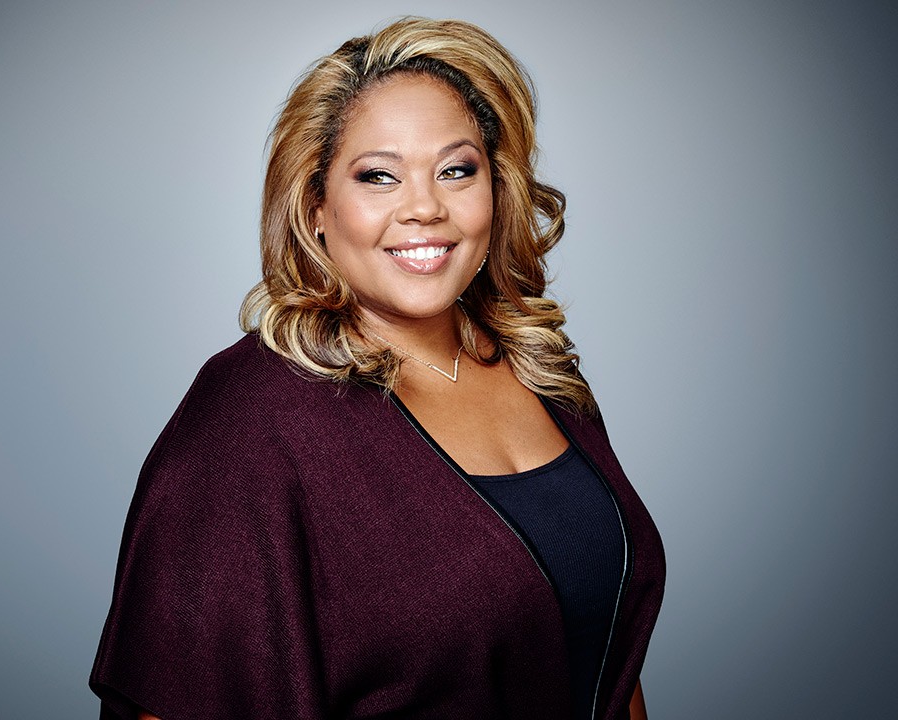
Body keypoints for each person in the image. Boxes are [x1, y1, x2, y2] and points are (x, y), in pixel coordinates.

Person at [90, 17, 664, 720]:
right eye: (378, 176)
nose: (424, 207)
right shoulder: (249, 419)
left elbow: (610, 651)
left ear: (496, 188)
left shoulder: (540, 370)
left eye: (456, 170)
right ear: (316, 207)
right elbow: (172, 693)